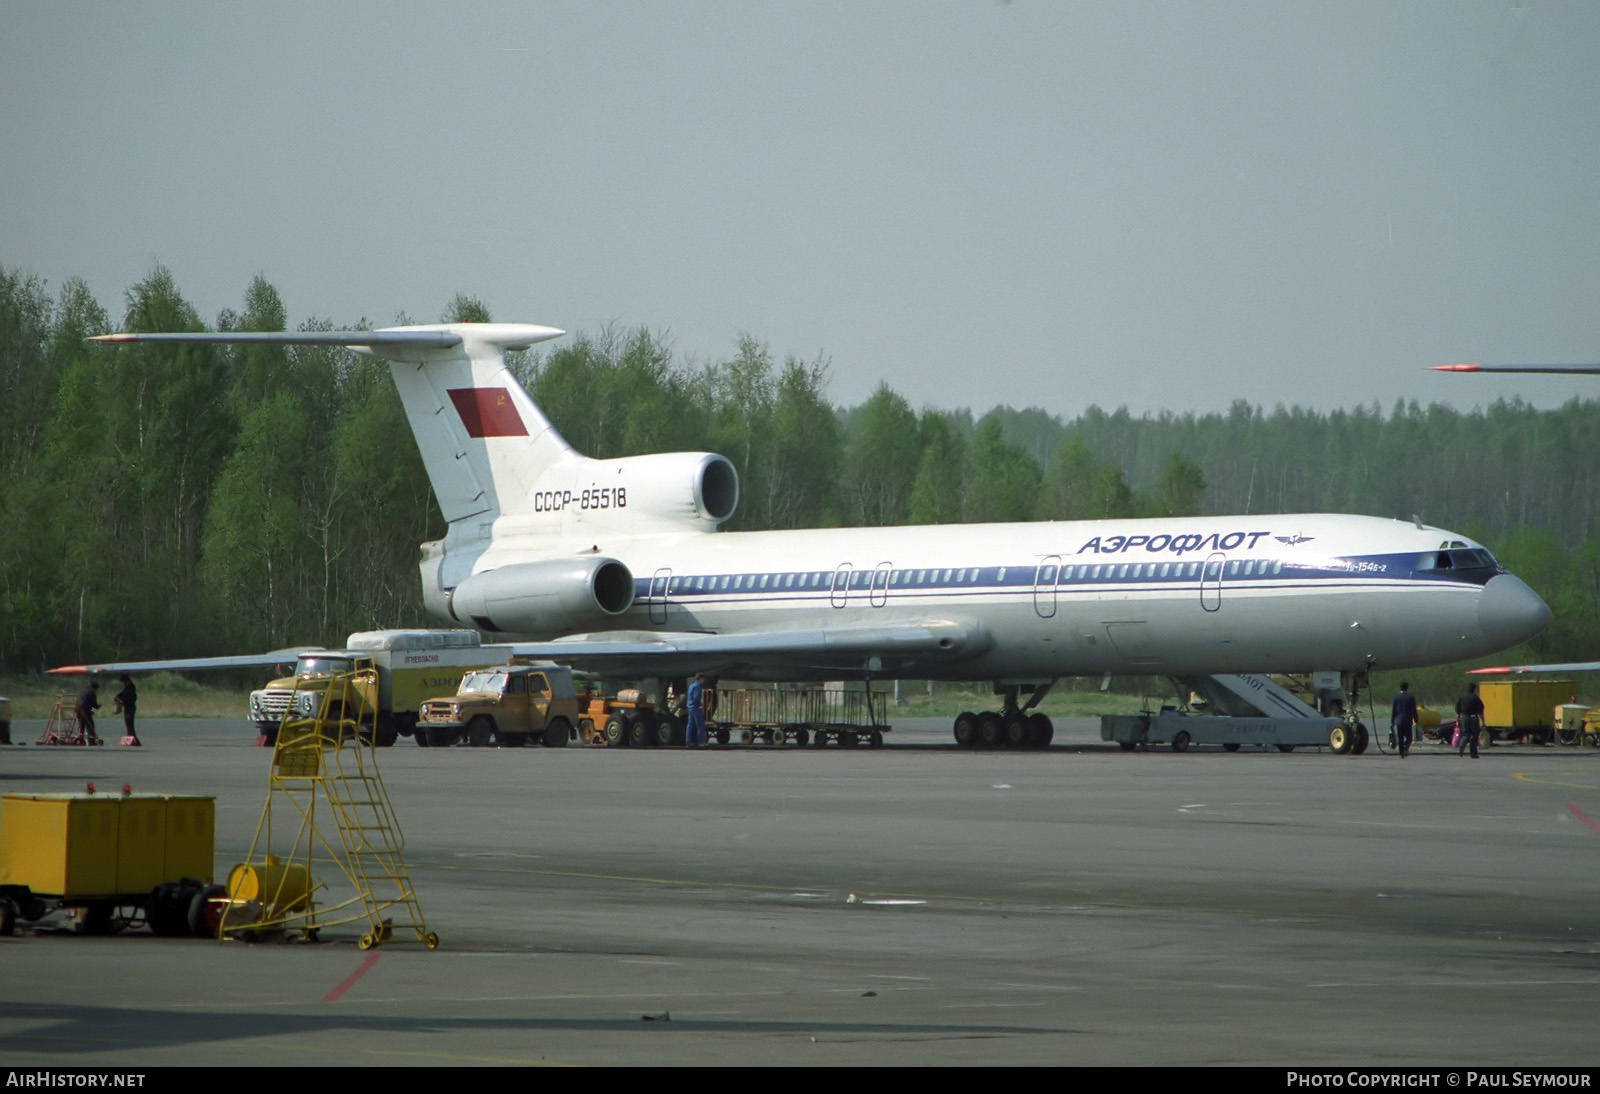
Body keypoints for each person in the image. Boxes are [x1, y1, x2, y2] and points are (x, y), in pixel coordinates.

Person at [1455, 682, 1483, 759]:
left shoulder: (1461, 697)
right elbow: (1480, 711)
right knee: (1474, 736)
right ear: (1474, 689)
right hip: (1473, 717)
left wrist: (1457, 720)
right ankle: (1473, 754)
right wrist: (1483, 722)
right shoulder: (1476, 698)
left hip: (1464, 717)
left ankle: (1461, 747)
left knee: (1465, 734)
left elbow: (1458, 710)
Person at [1391, 681, 1419, 759]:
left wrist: (1392, 721)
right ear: (1407, 688)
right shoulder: (1411, 697)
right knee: (1409, 737)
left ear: (1400, 688)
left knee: (1400, 738)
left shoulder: (1396, 697)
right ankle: (1405, 747)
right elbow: (1414, 710)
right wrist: (1416, 719)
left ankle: (1401, 753)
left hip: (1399, 721)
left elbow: (1393, 710)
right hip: (1407, 720)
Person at [114, 674, 139, 745]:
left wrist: (121, 699)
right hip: (127, 707)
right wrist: (118, 696)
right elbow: (123, 693)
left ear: (126, 681)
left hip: (130, 707)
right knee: (127, 723)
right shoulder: (127, 687)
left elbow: (128, 697)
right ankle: (130, 736)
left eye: (124, 682)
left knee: (130, 722)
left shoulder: (131, 687)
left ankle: (132, 737)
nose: (123, 683)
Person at [686, 674, 708, 748]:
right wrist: (699, 706)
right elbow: (696, 697)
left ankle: (688, 742)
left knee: (690, 725)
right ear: (700, 679)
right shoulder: (697, 686)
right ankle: (701, 742)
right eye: (703, 679)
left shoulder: (691, 686)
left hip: (689, 706)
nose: (703, 680)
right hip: (695, 707)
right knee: (700, 725)